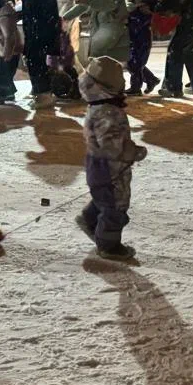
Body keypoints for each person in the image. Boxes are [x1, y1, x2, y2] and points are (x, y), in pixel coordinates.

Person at [73, 56, 146, 261]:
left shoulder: (97, 105)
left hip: (97, 164)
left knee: (104, 198)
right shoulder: (108, 112)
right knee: (116, 207)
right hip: (111, 167)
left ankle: (89, 219)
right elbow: (112, 147)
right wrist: (133, 152)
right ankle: (108, 245)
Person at [9, 0, 60, 110]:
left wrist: (21, 11)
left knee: (35, 61)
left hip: (39, 29)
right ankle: (42, 92)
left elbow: (34, 7)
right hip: (42, 27)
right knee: (36, 61)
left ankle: (43, 94)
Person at [123, 0, 160, 97]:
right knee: (134, 63)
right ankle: (151, 79)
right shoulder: (133, 5)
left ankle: (136, 87)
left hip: (141, 38)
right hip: (134, 37)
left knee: (135, 63)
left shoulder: (145, 6)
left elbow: (142, 19)